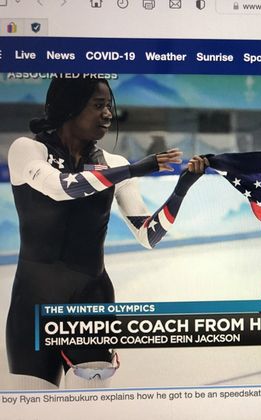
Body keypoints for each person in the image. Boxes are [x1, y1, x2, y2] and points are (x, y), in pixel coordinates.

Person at [6, 76, 208, 389]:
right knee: (32, 408)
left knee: (90, 408)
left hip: (92, 302)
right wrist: (134, 169)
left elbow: (148, 235)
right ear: (70, 107)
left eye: (109, 106)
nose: (108, 114)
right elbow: (59, 188)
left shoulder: (113, 163)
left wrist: (180, 191)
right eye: (99, 105)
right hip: (32, 305)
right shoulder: (27, 150)